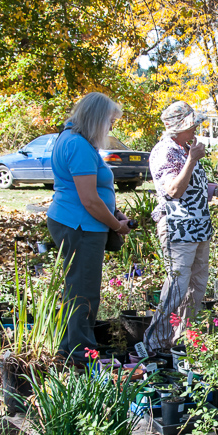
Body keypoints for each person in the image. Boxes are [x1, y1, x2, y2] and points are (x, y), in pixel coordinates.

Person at [46, 92, 132, 361]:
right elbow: (90, 201)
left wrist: (114, 213)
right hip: (80, 225)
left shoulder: (72, 139)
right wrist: (116, 226)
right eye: (110, 121)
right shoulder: (79, 146)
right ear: (96, 119)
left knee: (76, 287)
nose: (111, 127)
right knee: (84, 291)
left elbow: (94, 194)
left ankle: (69, 345)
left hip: (76, 222)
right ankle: (81, 352)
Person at [144, 101, 218, 351]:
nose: (195, 129)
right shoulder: (165, 152)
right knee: (177, 286)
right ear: (177, 128)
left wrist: (217, 192)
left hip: (198, 226)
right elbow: (173, 191)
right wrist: (192, 160)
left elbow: (194, 189)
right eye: (191, 125)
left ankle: (182, 339)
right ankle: (155, 342)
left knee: (197, 285)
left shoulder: (185, 149)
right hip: (178, 227)